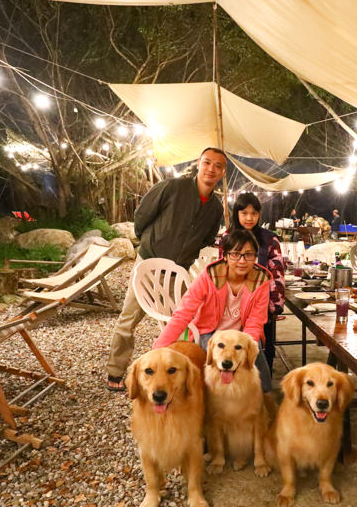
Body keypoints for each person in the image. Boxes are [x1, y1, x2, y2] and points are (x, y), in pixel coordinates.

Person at [104, 147, 226, 391]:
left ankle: (174, 372)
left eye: (218, 166)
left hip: (178, 270)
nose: (211, 169)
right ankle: (115, 371)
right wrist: (149, 244)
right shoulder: (173, 187)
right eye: (207, 162)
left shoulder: (215, 207)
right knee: (129, 317)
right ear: (199, 164)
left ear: (222, 172)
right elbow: (142, 216)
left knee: (179, 321)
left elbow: (207, 237)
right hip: (149, 263)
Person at [153, 230, 273, 391]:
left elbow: (255, 322)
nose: (242, 261)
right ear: (225, 255)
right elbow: (184, 313)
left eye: (249, 254)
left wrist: (245, 350)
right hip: (211, 331)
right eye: (236, 254)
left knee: (262, 382)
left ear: (255, 256)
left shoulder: (261, 280)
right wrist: (158, 348)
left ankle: (257, 400)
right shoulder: (209, 276)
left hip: (243, 333)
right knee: (212, 376)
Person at [220, 193, 285, 373]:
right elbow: (221, 272)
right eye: (244, 213)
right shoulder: (227, 237)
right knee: (232, 350)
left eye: (254, 213)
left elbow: (277, 274)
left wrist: (274, 306)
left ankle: (262, 387)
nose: (249, 218)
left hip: (261, 305)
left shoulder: (270, 239)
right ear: (236, 214)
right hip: (232, 307)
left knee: (262, 351)